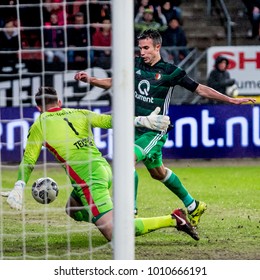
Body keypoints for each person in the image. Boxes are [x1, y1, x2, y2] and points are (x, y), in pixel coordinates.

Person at [74, 29, 256, 227]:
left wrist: (230, 100)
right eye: (140, 48)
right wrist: (90, 80)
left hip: (155, 129)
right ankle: (193, 205)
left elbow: (200, 89)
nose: (142, 52)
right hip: (136, 126)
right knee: (158, 173)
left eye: (146, 48)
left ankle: (129, 212)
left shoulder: (170, 71)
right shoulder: (134, 65)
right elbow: (113, 83)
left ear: (157, 47)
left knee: (127, 159)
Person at [1, 86, 199, 242]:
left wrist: (19, 186)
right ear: (59, 102)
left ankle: (173, 219)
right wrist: (141, 121)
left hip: (89, 179)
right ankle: (105, 216)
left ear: (38, 108)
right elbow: (110, 121)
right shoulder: (79, 112)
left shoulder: (39, 124)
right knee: (73, 208)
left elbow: (28, 161)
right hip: (103, 168)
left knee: (116, 234)